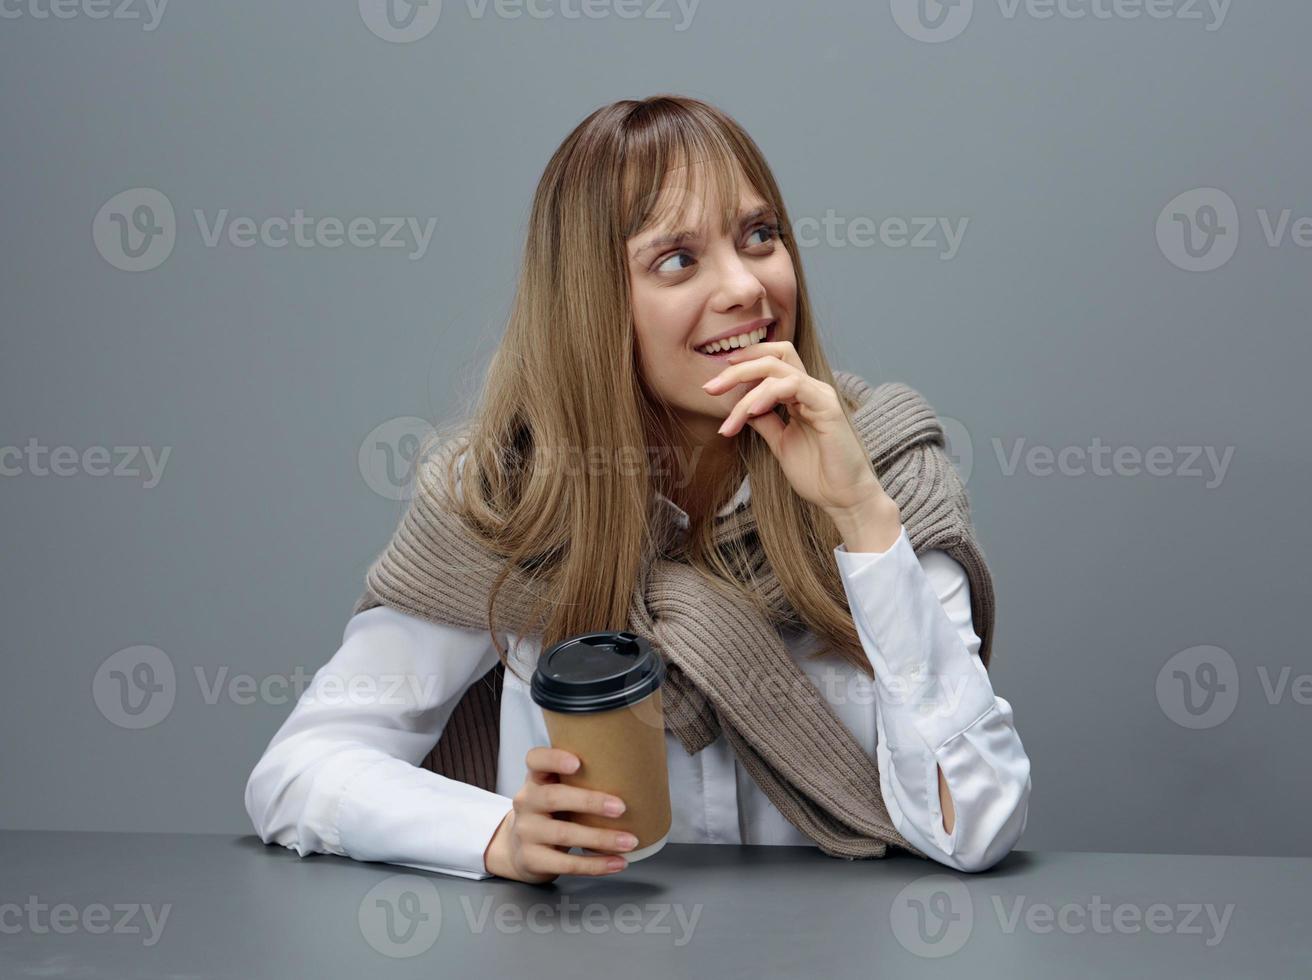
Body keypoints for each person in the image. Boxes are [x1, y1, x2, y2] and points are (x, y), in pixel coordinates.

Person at [244, 94, 1031, 884]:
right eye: (678, 260)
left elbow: (977, 825)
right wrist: (495, 836)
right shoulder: (503, 507)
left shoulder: (882, 468)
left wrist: (862, 519)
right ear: (592, 303)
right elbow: (301, 770)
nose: (745, 290)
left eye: (760, 236)